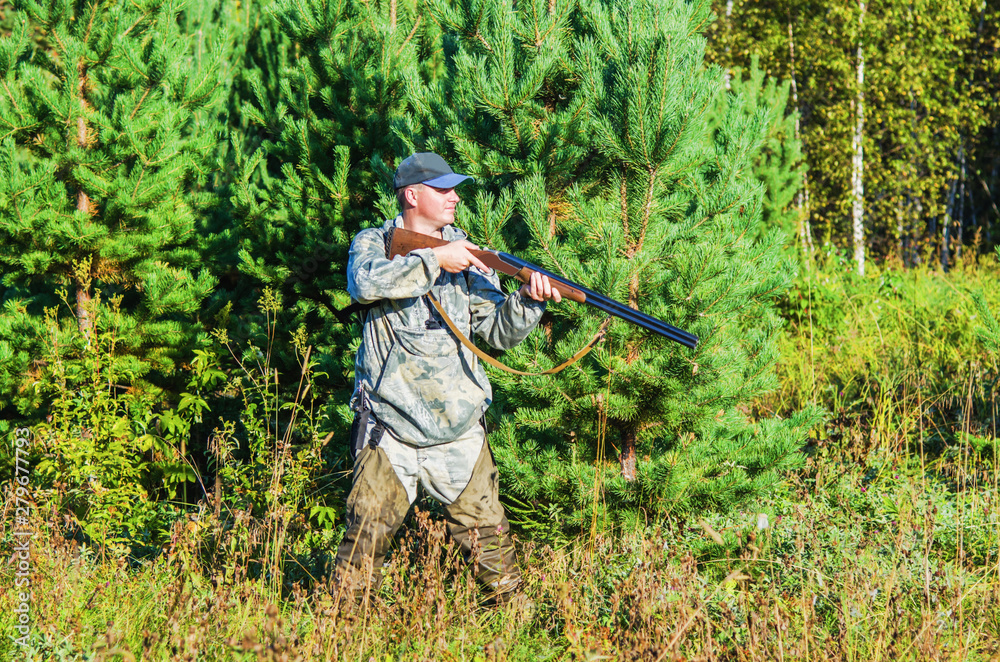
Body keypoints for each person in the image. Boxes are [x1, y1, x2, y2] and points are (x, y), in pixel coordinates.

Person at [334, 152, 561, 602]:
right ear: (412, 195)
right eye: (444, 189)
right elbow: (364, 283)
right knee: (364, 546)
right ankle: (339, 636)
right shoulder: (376, 242)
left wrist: (529, 302)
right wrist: (437, 260)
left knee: (493, 551)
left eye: (455, 188)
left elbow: (494, 332)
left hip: (458, 428)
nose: (455, 197)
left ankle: (519, 628)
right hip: (390, 425)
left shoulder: (468, 254)